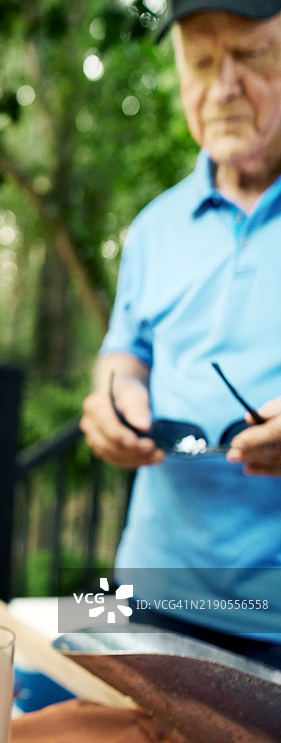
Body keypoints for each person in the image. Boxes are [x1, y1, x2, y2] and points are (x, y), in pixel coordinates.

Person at [81, 0, 281, 668]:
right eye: (200, 63)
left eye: (250, 55)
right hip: (149, 594)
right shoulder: (153, 227)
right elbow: (126, 353)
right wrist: (114, 403)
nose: (223, 87)